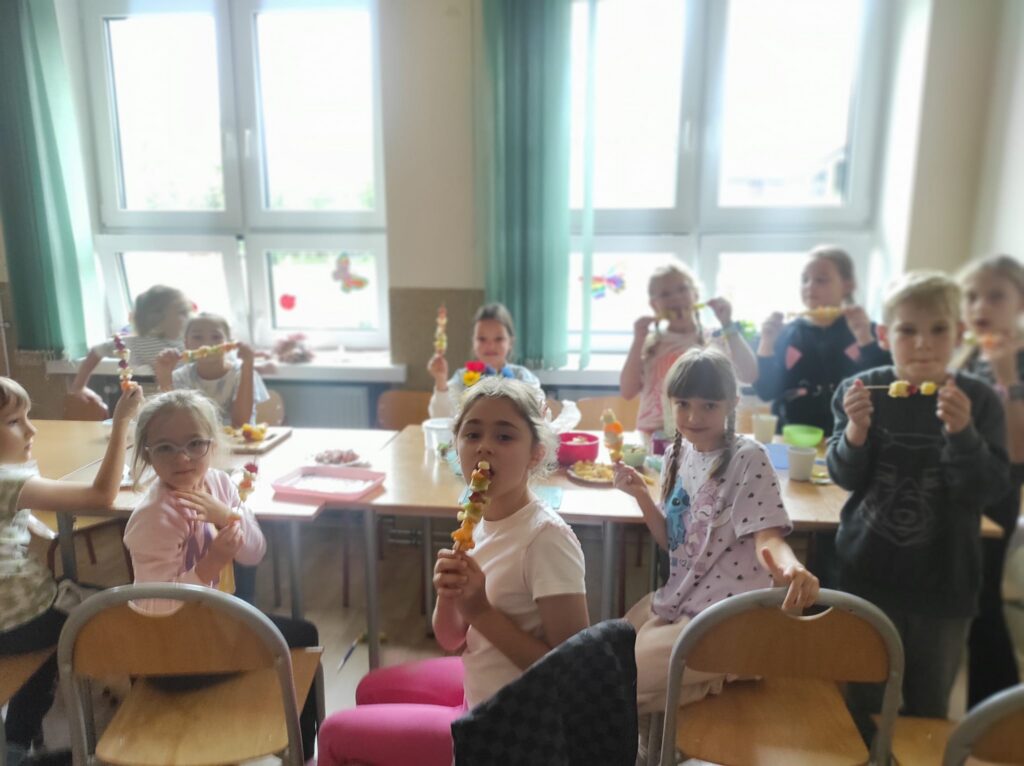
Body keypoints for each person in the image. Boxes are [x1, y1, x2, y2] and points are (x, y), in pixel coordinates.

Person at [318, 378, 589, 766]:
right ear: (456, 446)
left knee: (332, 734)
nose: (484, 446)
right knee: (370, 689)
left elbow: (574, 675)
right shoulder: (479, 522)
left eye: (505, 436)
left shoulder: (546, 540)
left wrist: (481, 612)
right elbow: (450, 638)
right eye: (472, 434)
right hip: (479, 687)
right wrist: (449, 596)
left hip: (513, 728)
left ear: (536, 454)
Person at [613, 347, 819, 755]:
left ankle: (727, 672)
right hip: (680, 603)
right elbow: (673, 542)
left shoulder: (748, 458)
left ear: (731, 403)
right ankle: (654, 744)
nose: (693, 416)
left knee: (620, 681)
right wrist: (641, 496)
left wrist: (791, 568)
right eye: (683, 404)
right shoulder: (677, 453)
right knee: (609, 653)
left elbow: (768, 537)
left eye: (709, 405)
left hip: (728, 619)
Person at [827, 271, 1010, 726]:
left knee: (928, 714)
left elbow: (987, 490)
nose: (923, 344)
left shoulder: (979, 400)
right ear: (884, 335)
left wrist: (963, 434)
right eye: (907, 330)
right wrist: (856, 431)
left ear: (959, 334)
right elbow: (844, 476)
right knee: (861, 709)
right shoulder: (860, 391)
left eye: (938, 330)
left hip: (945, 586)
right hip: (866, 579)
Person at [122, 390, 318, 761]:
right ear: (147, 454)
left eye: (195, 444)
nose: (183, 458)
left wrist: (227, 516)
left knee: (302, 634)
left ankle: (301, 753)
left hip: (213, 630)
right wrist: (211, 563)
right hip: (169, 657)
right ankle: (293, 752)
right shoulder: (154, 516)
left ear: (213, 444)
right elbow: (154, 609)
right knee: (297, 640)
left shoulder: (219, 485)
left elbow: (254, 553)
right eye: (165, 448)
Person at [0, 377, 141, 765]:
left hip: (13, 622)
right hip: (19, 621)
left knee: (51, 634)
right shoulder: (8, 481)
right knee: (110, 608)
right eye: (14, 422)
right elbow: (101, 495)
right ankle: (136, 718)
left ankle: (18, 739)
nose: (31, 430)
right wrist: (121, 423)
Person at [957, 254, 1024, 707]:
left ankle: (999, 717)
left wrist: (1008, 376)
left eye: (996, 296)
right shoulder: (966, 354)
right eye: (971, 296)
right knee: (959, 595)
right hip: (960, 482)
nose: (980, 306)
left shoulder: (1015, 358)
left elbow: (1017, 450)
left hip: (997, 489)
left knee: (983, 601)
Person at [755, 246, 890, 436]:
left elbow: (885, 387)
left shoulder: (868, 330)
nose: (810, 286)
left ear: (847, 285)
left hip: (850, 440)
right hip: (791, 437)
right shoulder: (787, 333)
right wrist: (766, 342)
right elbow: (766, 391)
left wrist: (865, 339)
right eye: (805, 279)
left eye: (821, 280)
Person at [620, 264, 757, 438]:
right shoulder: (649, 343)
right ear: (654, 305)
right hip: (655, 433)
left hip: (706, 433)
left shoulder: (716, 338)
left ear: (695, 294)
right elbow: (627, 391)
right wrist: (638, 340)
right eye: (665, 294)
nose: (676, 297)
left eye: (682, 289)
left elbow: (749, 375)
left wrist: (727, 324)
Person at [69, 285, 191, 411]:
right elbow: (97, 351)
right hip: (174, 404)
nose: (190, 316)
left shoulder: (194, 338)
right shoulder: (142, 344)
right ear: (157, 318)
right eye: (182, 312)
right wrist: (79, 386)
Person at [152, 312, 269, 429]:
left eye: (216, 337)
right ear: (186, 344)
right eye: (197, 337)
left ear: (229, 343)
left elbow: (240, 423)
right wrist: (165, 378)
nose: (207, 344)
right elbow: (174, 423)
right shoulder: (180, 377)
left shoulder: (243, 374)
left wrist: (248, 366)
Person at [426, 303, 541, 418]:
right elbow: (440, 418)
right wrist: (440, 380)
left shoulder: (523, 378)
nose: (490, 345)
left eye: (498, 339)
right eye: (482, 339)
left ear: (510, 342)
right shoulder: (462, 379)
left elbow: (539, 417)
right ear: (473, 342)